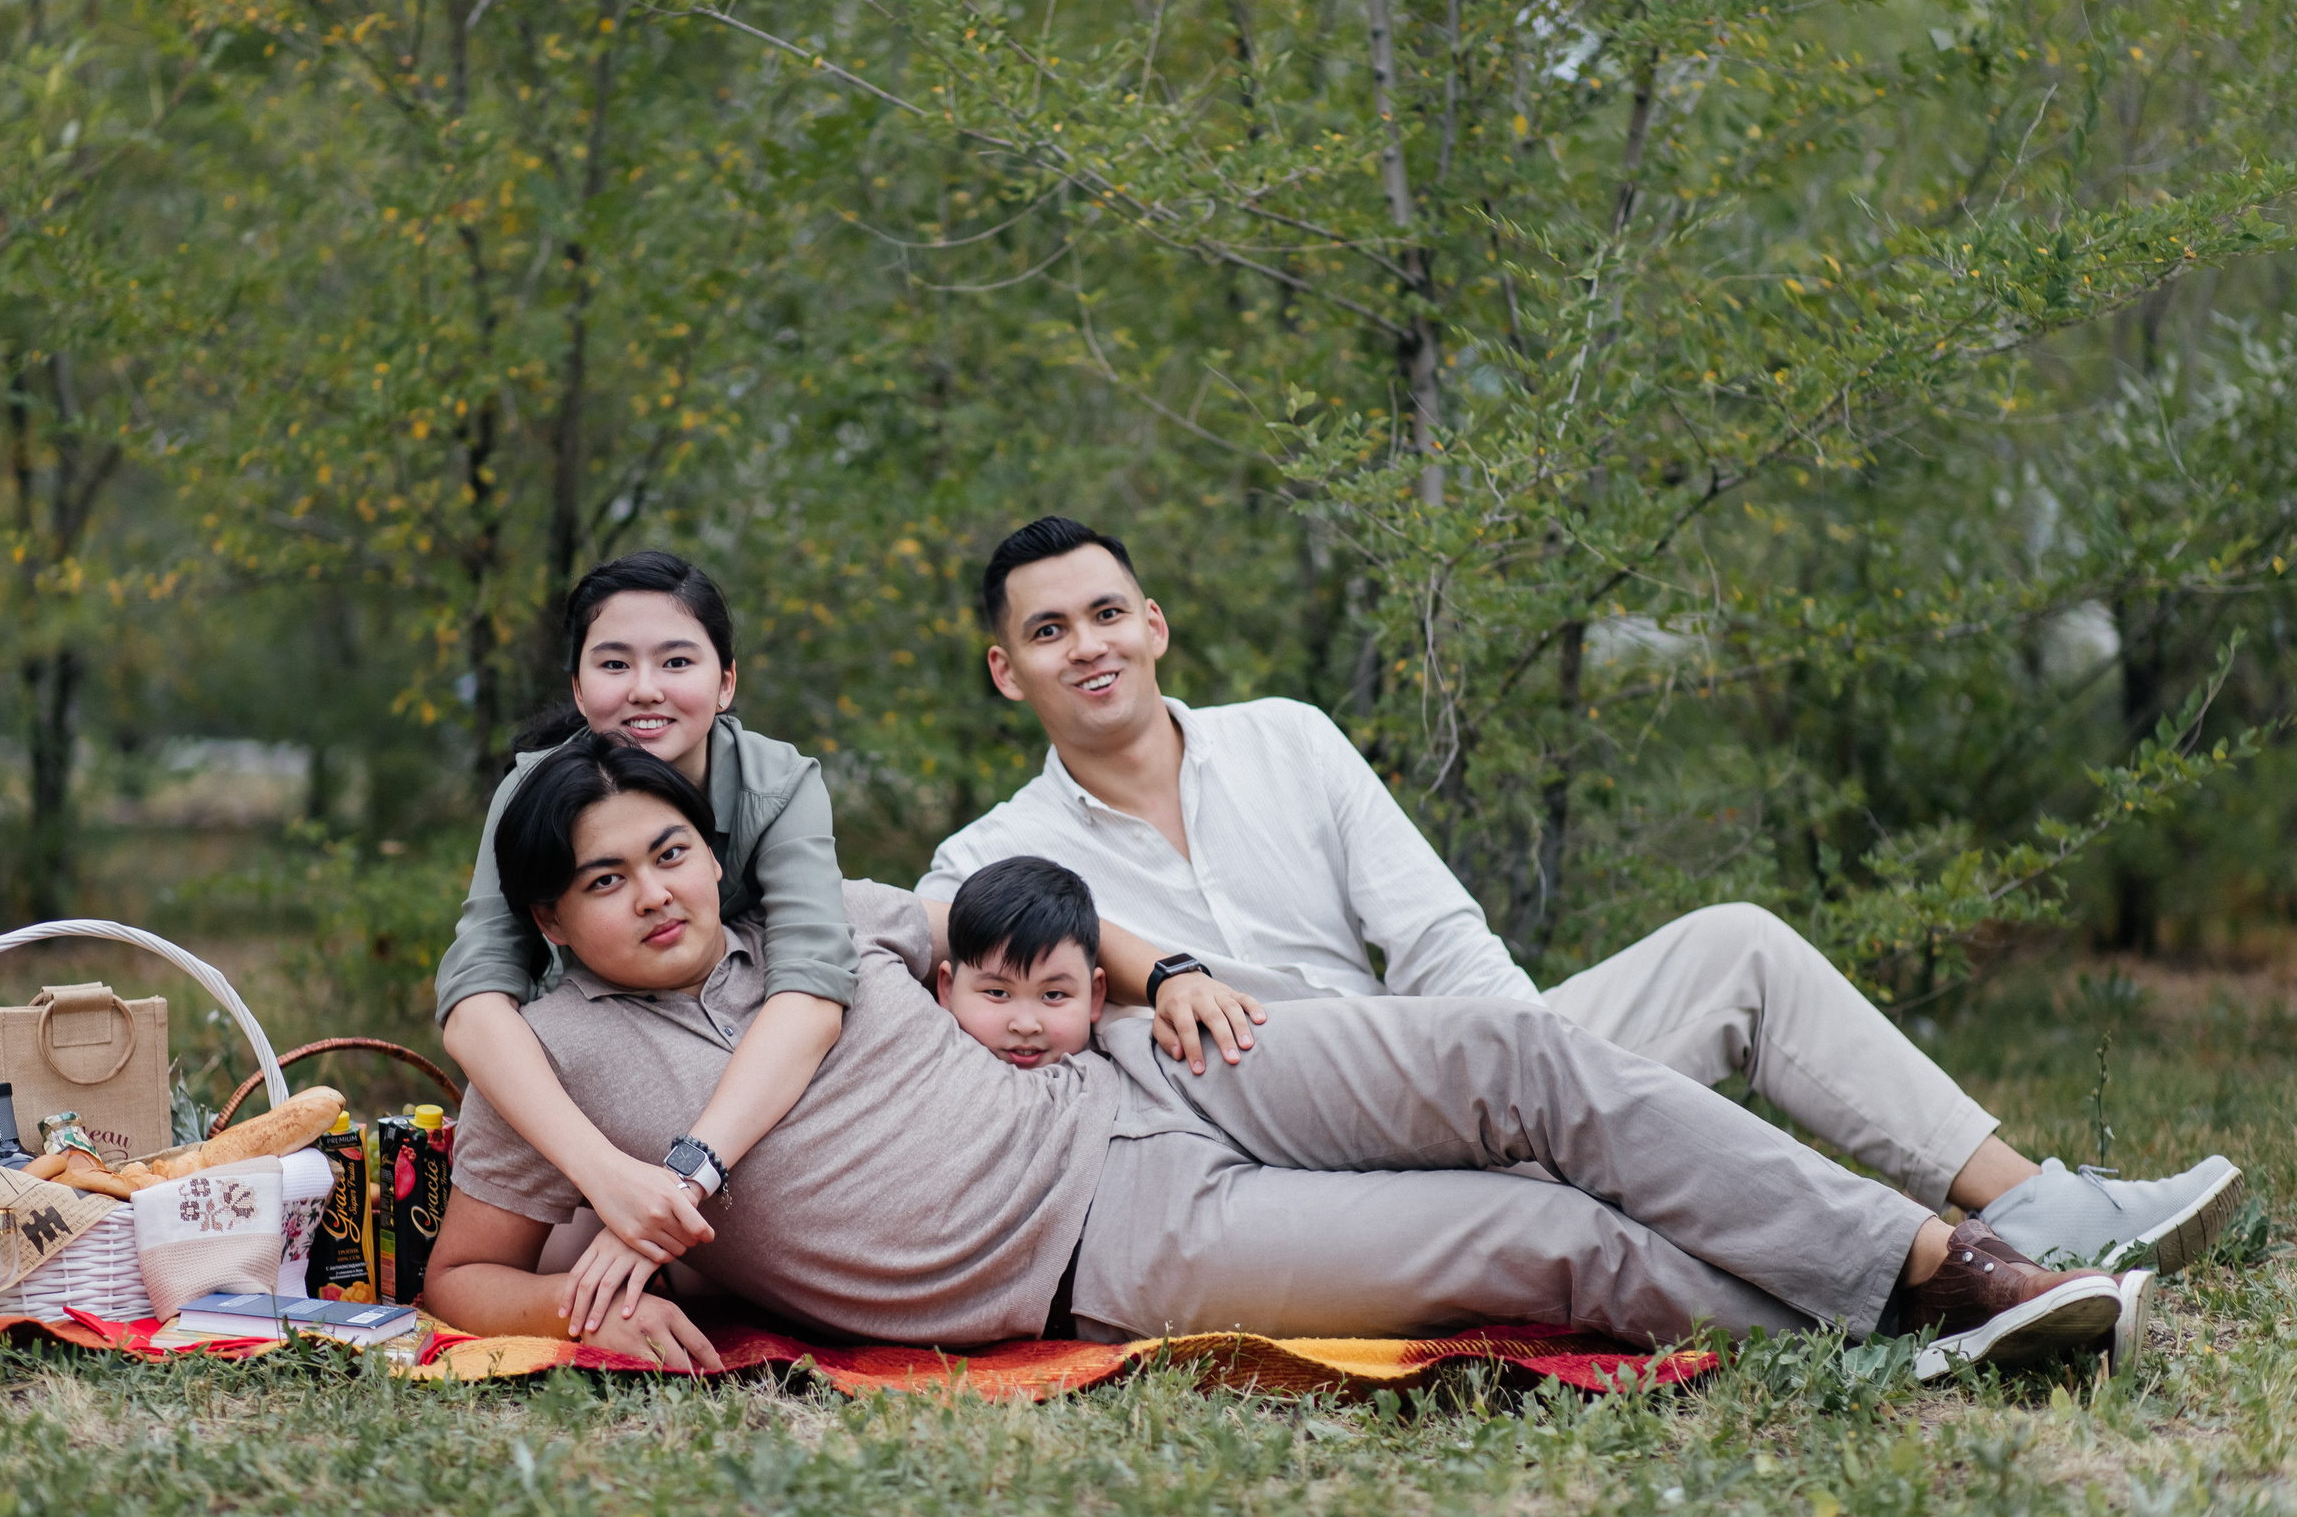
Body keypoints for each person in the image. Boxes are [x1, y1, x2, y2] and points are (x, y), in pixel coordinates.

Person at [423, 735, 2147, 1383]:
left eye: (669, 851)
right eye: (602, 877)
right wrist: (578, 1303)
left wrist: (1157, 967)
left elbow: (993, 911)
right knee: (1535, 1240)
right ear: (551, 922)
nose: (654, 890)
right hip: (1100, 1251)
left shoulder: (826, 917)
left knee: (1519, 1058)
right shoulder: (558, 1063)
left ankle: (1945, 1259)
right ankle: (1918, 1343)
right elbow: (464, 1275)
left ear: (712, 850)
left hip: (1154, 1069)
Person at [916, 517, 2244, 1275]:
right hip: (1275, 1146)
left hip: (1452, 1068)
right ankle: (1924, 1266)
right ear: (1004, 670)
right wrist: (1155, 964)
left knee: (1737, 948)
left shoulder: (1288, 738)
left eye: (1104, 613)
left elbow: (1438, 937)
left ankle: (2029, 1205)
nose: (1083, 645)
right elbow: (924, 922)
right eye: (1047, 630)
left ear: (1153, 623)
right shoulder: (1001, 851)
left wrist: (1540, 1059)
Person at [432, 551, 856, 1287]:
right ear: (577, 685)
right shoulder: (537, 792)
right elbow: (475, 1001)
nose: (646, 690)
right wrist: (605, 1174)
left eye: (677, 661)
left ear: (727, 681)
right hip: (616, 1063)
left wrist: (687, 1174)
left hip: (747, 1055)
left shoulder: (778, 784)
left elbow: (812, 987)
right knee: (572, 1261)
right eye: (615, 664)